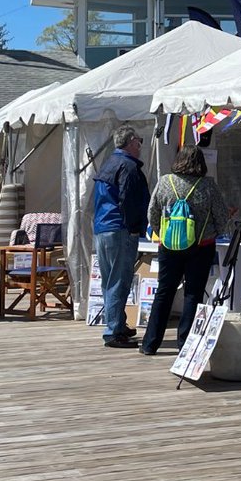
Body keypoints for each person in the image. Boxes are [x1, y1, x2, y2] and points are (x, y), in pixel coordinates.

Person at [141, 144, 230, 356]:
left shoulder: (165, 182)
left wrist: (163, 233)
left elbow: (152, 213)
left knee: (164, 291)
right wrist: (213, 232)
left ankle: (150, 343)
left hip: (169, 246)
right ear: (201, 163)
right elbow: (222, 218)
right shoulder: (208, 185)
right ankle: (185, 344)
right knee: (193, 294)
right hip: (201, 246)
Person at [93, 124, 150, 349]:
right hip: (119, 228)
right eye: (139, 141)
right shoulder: (128, 166)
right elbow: (129, 200)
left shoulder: (109, 163)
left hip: (103, 227)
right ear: (130, 142)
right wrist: (136, 226)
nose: (140, 145)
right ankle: (114, 331)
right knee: (119, 280)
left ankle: (117, 324)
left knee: (110, 280)